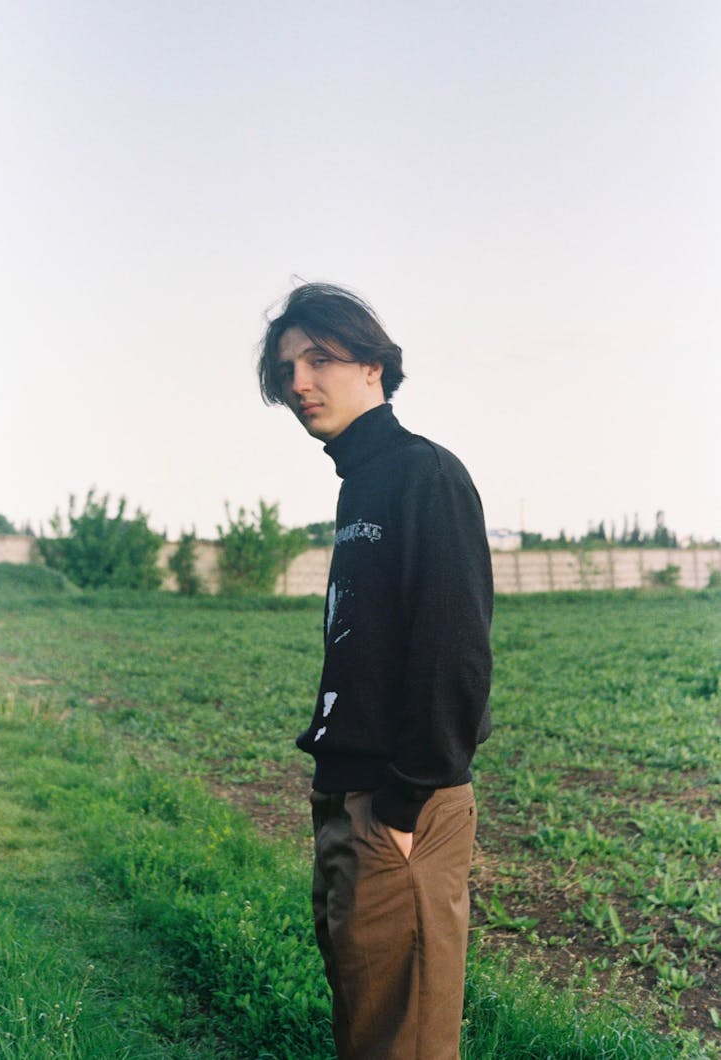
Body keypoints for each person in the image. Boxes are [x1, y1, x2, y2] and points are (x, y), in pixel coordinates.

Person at [258, 283, 493, 1060]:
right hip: (348, 798)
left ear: (373, 365)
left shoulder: (423, 474)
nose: (299, 383)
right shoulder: (362, 481)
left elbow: (454, 657)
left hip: (401, 810)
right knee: (369, 1033)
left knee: (406, 1043)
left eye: (319, 359)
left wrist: (399, 805)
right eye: (288, 367)